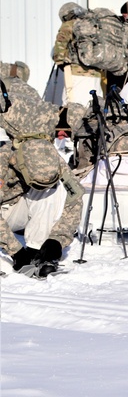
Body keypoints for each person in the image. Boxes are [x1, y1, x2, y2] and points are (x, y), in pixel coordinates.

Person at [0, 77, 85, 278]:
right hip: (4, 210)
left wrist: (57, 240)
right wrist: (15, 251)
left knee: (54, 191)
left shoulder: (52, 157)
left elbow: (75, 197)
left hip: (18, 207)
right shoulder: (5, 158)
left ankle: (38, 251)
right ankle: (22, 255)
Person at [50, 1, 104, 106]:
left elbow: (60, 48)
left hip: (76, 72)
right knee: (93, 106)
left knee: (72, 105)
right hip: (96, 73)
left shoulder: (70, 24)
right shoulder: (94, 24)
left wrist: (61, 62)